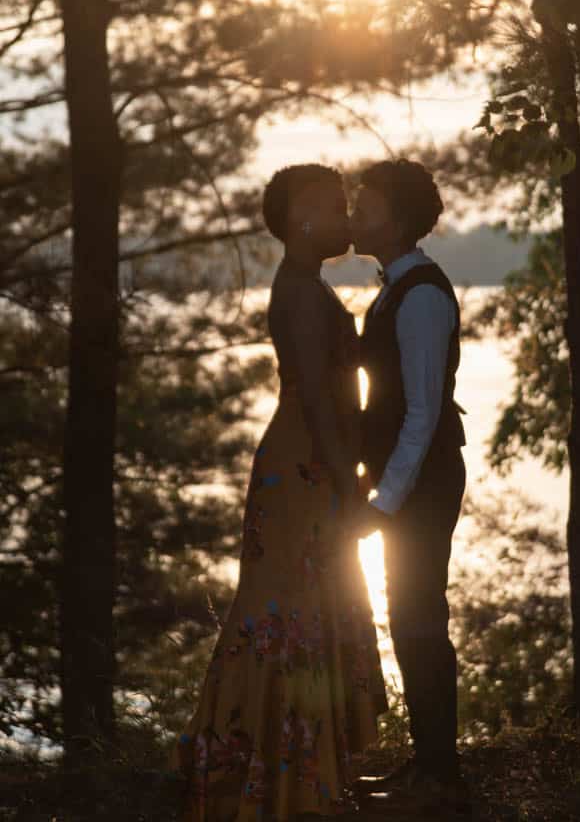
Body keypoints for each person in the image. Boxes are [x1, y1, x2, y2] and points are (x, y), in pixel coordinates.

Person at [171, 164, 388, 821]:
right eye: (332, 204)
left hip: (305, 459)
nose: (345, 215)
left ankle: (306, 770)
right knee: (289, 608)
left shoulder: (308, 285)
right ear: (301, 219)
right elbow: (318, 397)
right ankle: (279, 775)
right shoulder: (298, 290)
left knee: (308, 601)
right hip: (302, 463)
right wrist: (346, 474)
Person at [349, 158, 470, 814]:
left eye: (362, 204)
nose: (353, 213)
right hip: (410, 476)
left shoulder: (420, 293)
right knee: (408, 613)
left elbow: (422, 410)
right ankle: (427, 761)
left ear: (393, 218)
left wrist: (384, 500)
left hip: (422, 481)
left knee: (420, 614)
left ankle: (441, 773)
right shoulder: (400, 285)